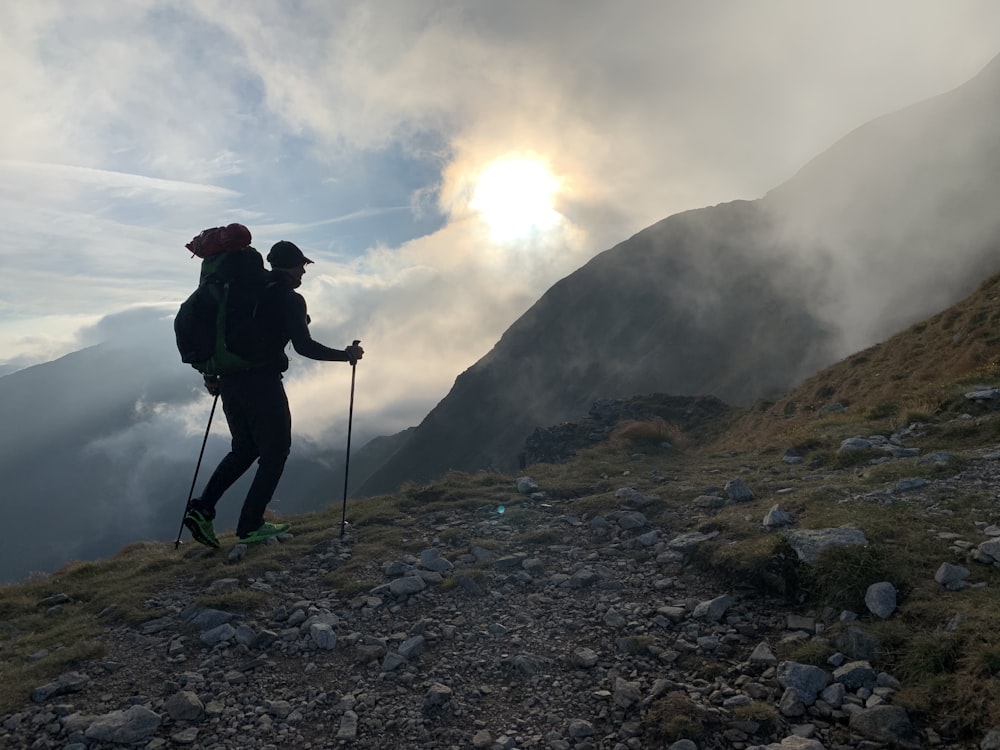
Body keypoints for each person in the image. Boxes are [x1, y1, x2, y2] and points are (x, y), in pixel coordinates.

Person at [183, 240, 363, 548]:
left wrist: (212, 373)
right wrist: (345, 355)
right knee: (275, 451)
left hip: (230, 382)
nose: (303, 272)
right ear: (294, 267)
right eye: (302, 266)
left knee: (244, 450)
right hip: (262, 383)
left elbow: (222, 334)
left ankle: (202, 509)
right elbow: (304, 346)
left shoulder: (243, 291)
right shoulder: (289, 299)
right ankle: (251, 525)